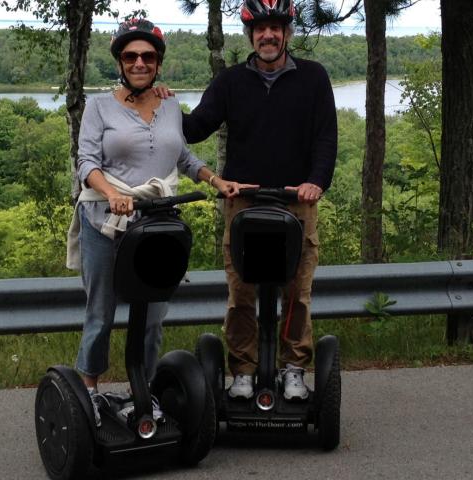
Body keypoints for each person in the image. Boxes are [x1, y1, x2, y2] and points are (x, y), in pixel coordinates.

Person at [65, 18, 244, 427]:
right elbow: (87, 163)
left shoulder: (169, 105)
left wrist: (217, 180)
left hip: (155, 225)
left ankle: (141, 392)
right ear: (120, 62)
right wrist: (112, 195)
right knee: (101, 312)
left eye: (147, 56)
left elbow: (183, 157)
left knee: (152, 316)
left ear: (158, 63)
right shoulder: (98, 106)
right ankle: (89, 391)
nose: (139, 62)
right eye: (131, 56)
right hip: (105, 220)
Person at [180, 0, 338, 401]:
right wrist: (161, 106)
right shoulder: (232, 81)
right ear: (250, 35)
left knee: (298, 293)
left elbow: (325, 137)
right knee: (241, 295)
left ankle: (293, 369)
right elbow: (197, 127)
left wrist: (316, 182)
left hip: (296, 202)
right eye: (260, 28)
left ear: (287, 33)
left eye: (275, 27)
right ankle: (243, 370)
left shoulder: (313, 78)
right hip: (244, 203)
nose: (267, 35)